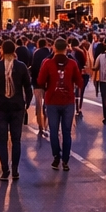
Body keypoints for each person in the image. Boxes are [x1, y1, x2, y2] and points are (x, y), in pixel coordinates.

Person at [0, 38, 32, 179]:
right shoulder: (21, 66)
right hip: (17, 106)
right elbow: (28, 87)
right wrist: (27, 103)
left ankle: (5, 170)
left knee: (2, 140)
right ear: (14, 50)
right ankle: (15, 170)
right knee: (16, 139)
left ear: (2, 50)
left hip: (0, 106)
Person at [38, 39, 82, 170]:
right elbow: (79, 82)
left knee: (53, 130)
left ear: (54, 48)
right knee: (67, 131)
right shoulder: (72, 64)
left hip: (52, 101)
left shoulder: (48, 63)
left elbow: (40, 80)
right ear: (67, 48)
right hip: (68, 101)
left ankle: (56, 157)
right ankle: (66, 160)